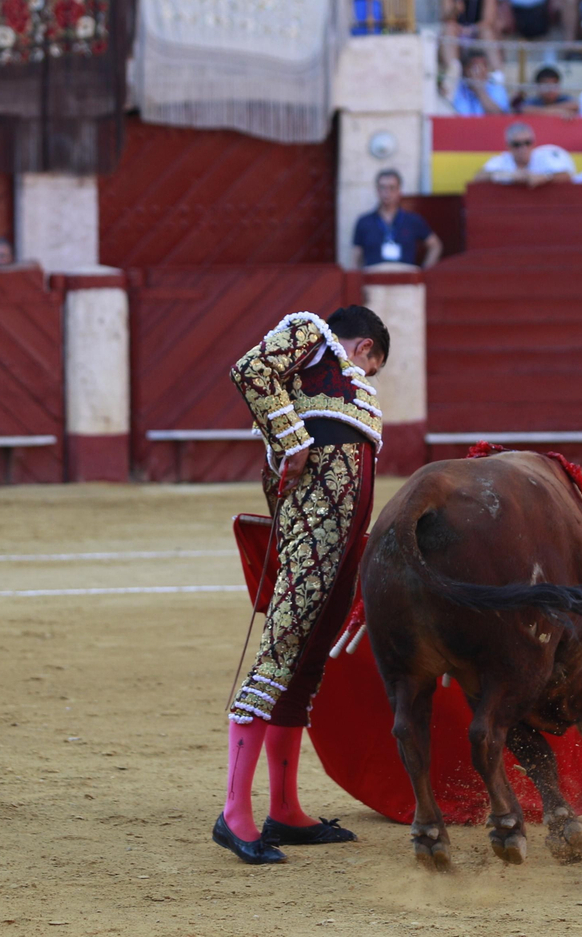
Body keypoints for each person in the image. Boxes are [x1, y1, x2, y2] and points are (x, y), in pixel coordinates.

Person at [217, 305, 389, 865]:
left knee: (304, 665)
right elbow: (249, 369)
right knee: (279, 655)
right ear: (364, 347)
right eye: (374, 367)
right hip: (317, 526)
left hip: (338, 533)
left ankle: (285, 809)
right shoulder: (311, 332)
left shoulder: (331, 383)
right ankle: (233, 814)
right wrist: (292, 442)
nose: (368, 379)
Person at [350, 169, 443, 268]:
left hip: (406, 278)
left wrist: (424, 273)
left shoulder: (413, 220)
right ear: (377, 190)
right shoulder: (364, 222)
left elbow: (435, 245)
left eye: (392, 188)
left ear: (399, 191)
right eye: (382, 187)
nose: (387, 192)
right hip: (374, 278)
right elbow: (356, 256)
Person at [472, 122, 576, 184]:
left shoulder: (544, 156)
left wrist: (545, 177)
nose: (523, 148)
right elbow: (478, 177)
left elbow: (566, 175)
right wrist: (510, 176)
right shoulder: (502, 160)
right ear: (508, 146)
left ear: (534, 143)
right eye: (517, 144)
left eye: (527, 143)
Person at [451, 49, 511, 115]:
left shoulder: (496, 86)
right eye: (474, 68)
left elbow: (500, 116)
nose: (478, 72)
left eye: (482, 67)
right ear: (465, 69)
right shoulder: (457, 87)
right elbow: (457, 114)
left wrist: (479, 90)